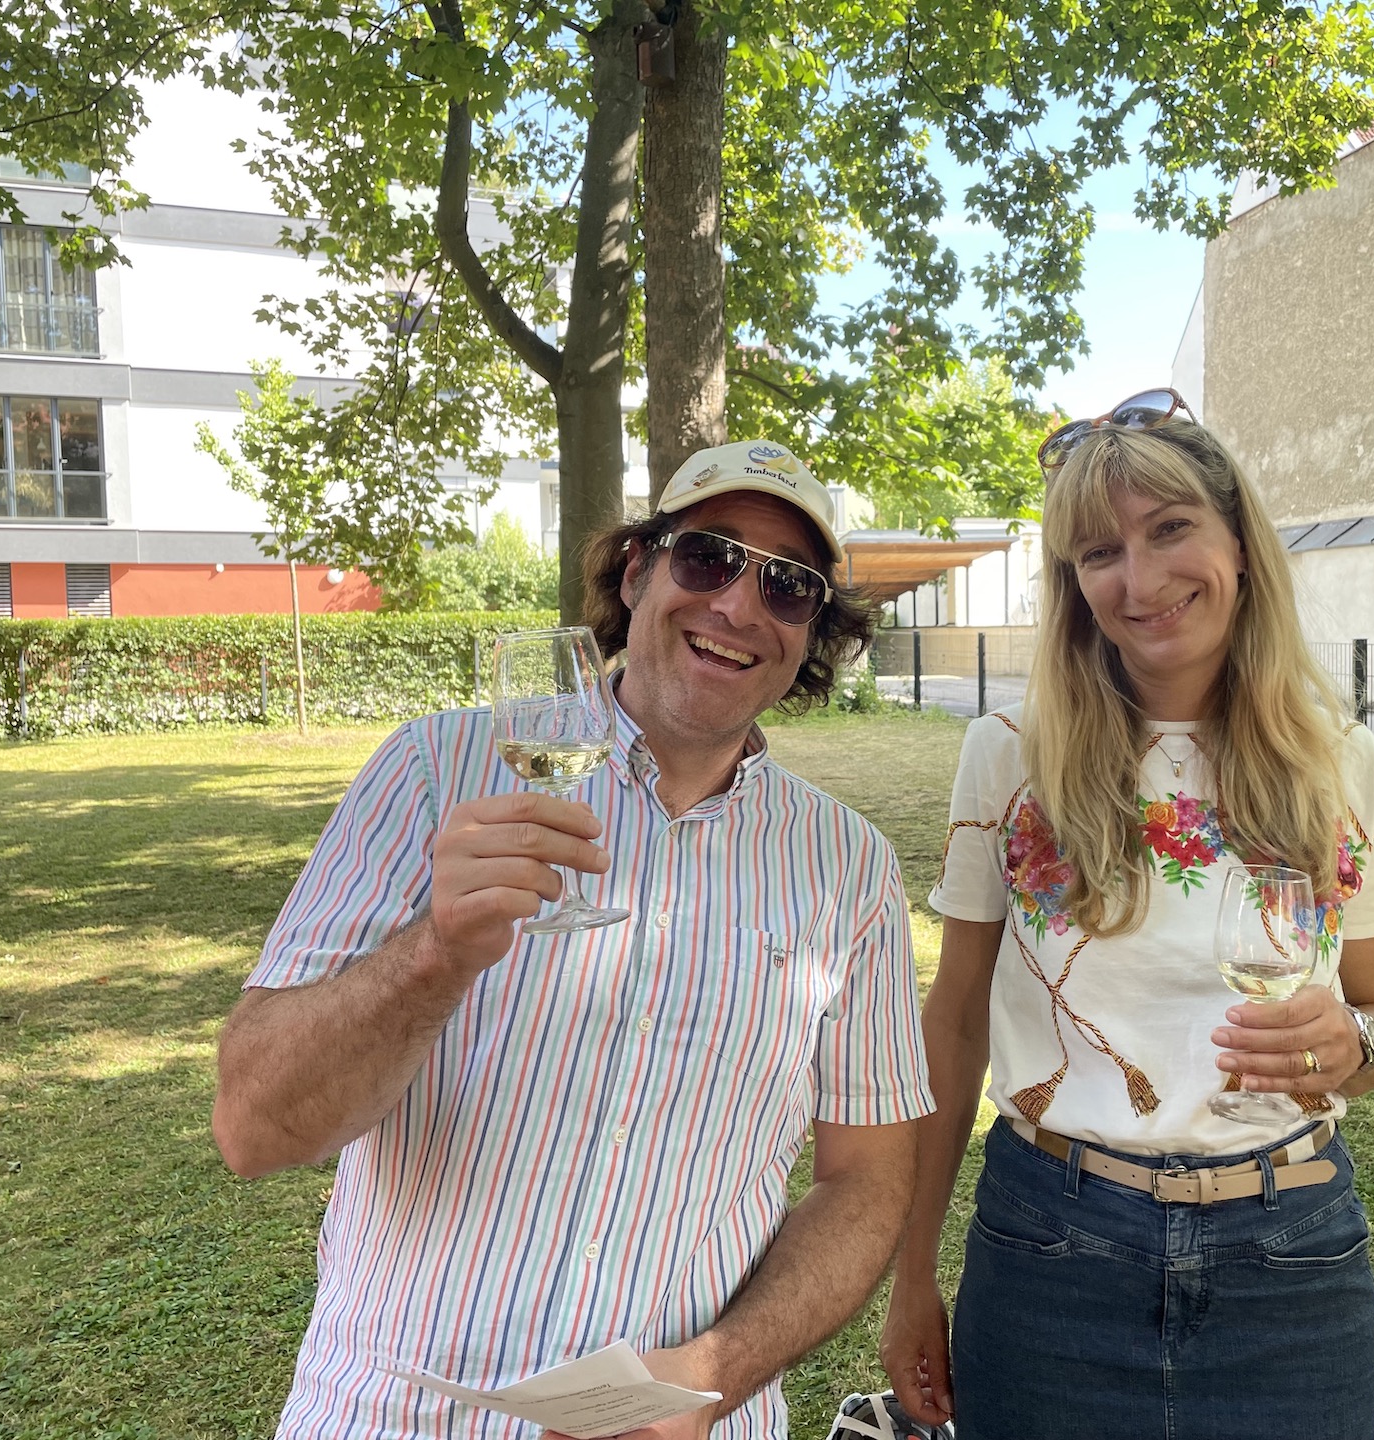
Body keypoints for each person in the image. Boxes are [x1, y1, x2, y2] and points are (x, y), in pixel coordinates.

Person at [212, 439, 934, 1440]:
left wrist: (713, 1375)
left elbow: (868, 1179)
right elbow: (254, 1131)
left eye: (788, 586)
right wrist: (436, 955)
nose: (738, 605)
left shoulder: (848, 867)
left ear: (810, 633)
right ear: (636, 572)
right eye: (709, 557)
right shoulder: (435, 770)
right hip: (398, 1414)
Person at [879, 391, 1374, 1439]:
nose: (1140, 579)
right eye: (1099, 552)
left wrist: (1349, 1042)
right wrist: (911, 1276)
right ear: (1074, 585)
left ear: (1239, 544)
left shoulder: (1344, 763)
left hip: (1292, 1260)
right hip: (1048, 1256)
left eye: (1170, 529)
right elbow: (954, 1022)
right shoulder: (1011, 755)